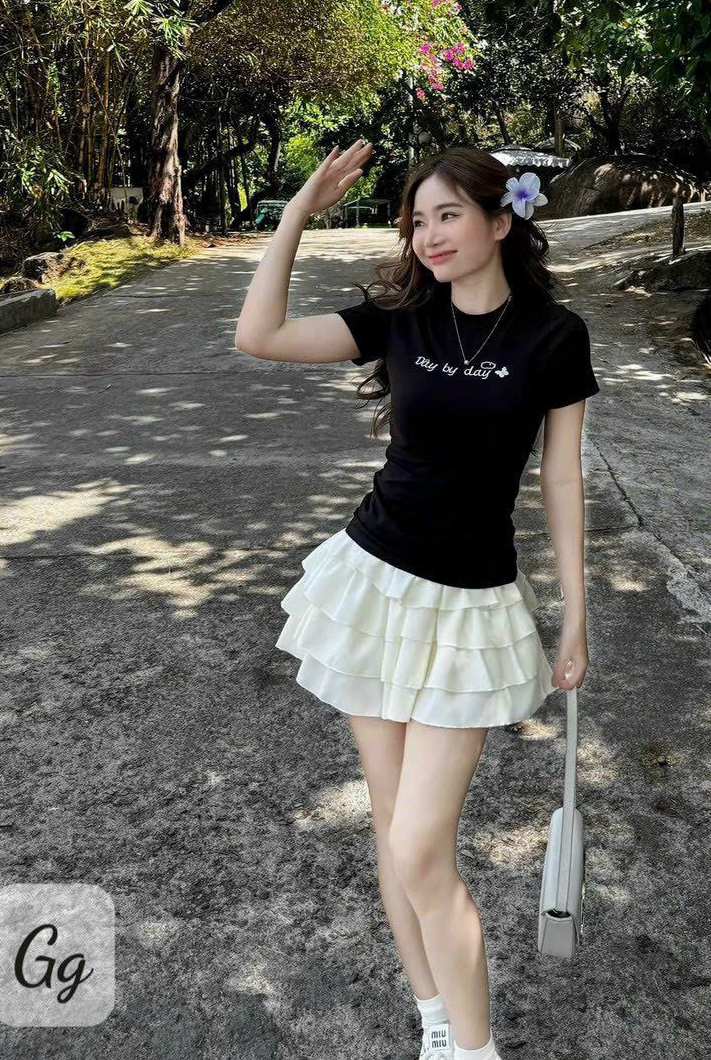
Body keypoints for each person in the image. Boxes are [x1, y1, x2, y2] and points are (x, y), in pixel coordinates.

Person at [235, 139, 599, 1060]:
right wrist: (295, 214)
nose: (429, 235)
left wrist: (576, 608)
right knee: (397, 837)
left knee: (423, 847)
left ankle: (474, 1051)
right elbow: (260, 335)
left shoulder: (554, 337)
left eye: (448, 216)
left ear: (501, 221)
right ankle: (437, 1020)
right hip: (376, 588)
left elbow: (560, 477)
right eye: (417, 219)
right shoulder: (400, 318)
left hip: (470, 606)